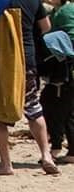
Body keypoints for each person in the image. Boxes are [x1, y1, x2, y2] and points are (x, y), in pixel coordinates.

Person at [0, 0, 59, 174]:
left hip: (3, 61)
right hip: (27, 59)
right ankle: (46, 155)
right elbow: (46, 27)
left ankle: (6, 164)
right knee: (33, 106)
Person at [45, 0, 74, 161]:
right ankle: (60, 147)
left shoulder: (64, 12)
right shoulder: (59, 11)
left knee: (54, 105)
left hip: (66, 67)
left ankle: (58, 147)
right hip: (66, 66)